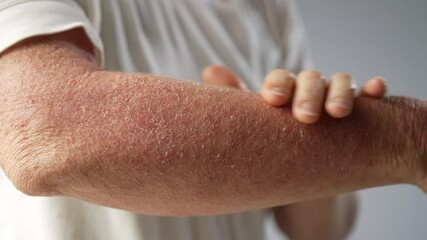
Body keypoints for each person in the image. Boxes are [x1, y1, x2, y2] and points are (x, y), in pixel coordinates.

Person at [0, 1, 425, 240]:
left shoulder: (267, 9)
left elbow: (318, 230)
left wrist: (298, 131)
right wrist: (401, 139)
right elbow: (43, 132)